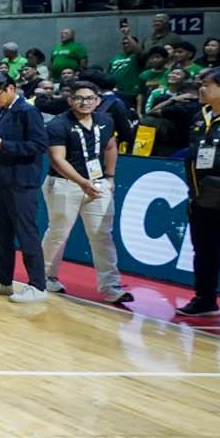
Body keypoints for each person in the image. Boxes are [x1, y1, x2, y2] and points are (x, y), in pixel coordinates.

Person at [41, 82, 131, 306]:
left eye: (90, 98)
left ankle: (111, 286)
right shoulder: (58, 124)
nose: (85, 102)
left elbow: (110, 147)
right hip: (64, 184)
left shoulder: (106, 120)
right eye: (79, 98)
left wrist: (109, 177)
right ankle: (44, 275)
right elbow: (57, 159)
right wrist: (82, 182)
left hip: (97, 183)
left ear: (98, 101)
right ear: (70, 100)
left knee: (102, 234)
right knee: (59, 232)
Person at [0, 70, 50, 302]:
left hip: (21, 183)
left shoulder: (29, 111)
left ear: (11, 88)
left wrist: (3, 145)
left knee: (27, 234)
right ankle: (3, 280)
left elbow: (38, 145)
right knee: (1, 234)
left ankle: (37, 285)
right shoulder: (0, 111)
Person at [175, 67, 220, 318]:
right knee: (204, 250)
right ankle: (205, 299)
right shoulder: (200, 116)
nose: (201, 88)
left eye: (206, 84)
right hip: (202, 197)